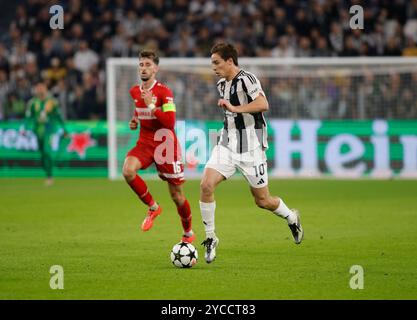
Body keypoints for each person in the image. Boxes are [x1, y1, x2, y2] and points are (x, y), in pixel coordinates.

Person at [200, 43, 304, 263]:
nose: (213, 67)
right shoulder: (221, 85)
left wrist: (236, 108)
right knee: (206, 185)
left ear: (230, 61)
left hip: (252, 149)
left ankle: (291, 217)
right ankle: (210, 238)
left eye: (216, 62)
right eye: (212, 63)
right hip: (226, 145)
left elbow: (263, 103)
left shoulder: (247, 79)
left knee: (263, 200)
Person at [123, 50, 195, 243]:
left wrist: (152, 107)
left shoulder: (164, 92)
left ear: (155, 68)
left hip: (165, 145)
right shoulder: (134, 91)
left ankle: (188, 232)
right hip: (145, 142)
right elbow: (139, 108)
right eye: (141, 64)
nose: (144, 68)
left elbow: (170, 122)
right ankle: (153, 207)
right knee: (128, 171)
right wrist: (135, 119)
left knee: (177, 196)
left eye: (148, 64)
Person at [21, 82, 67, 186]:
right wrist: (24, 128)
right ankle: (47, 172)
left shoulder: (52, 102)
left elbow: (58, 116)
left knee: (47, 151)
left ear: (46, 89)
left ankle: (49, 176)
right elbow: (28, 117)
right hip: (38, 131)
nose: (40, 90)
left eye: (42, 88)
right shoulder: (32, 103)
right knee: (42, 153)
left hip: (49, 130)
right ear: (36, 90)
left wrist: (64, 130)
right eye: (38, 88)